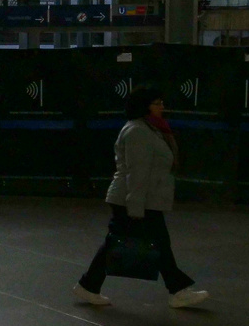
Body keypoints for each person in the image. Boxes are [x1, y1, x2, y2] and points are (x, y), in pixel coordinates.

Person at [74, 86, 209, 309]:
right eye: (157, 103)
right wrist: (135, 207)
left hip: (140, 198)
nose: (162, 107)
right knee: (133, 242)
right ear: (144, 106)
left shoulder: (150, 129)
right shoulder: (138, 131)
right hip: (134, 199)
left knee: (132, 242)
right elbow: (137, 172)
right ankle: (177, 291)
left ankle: (89, 285)